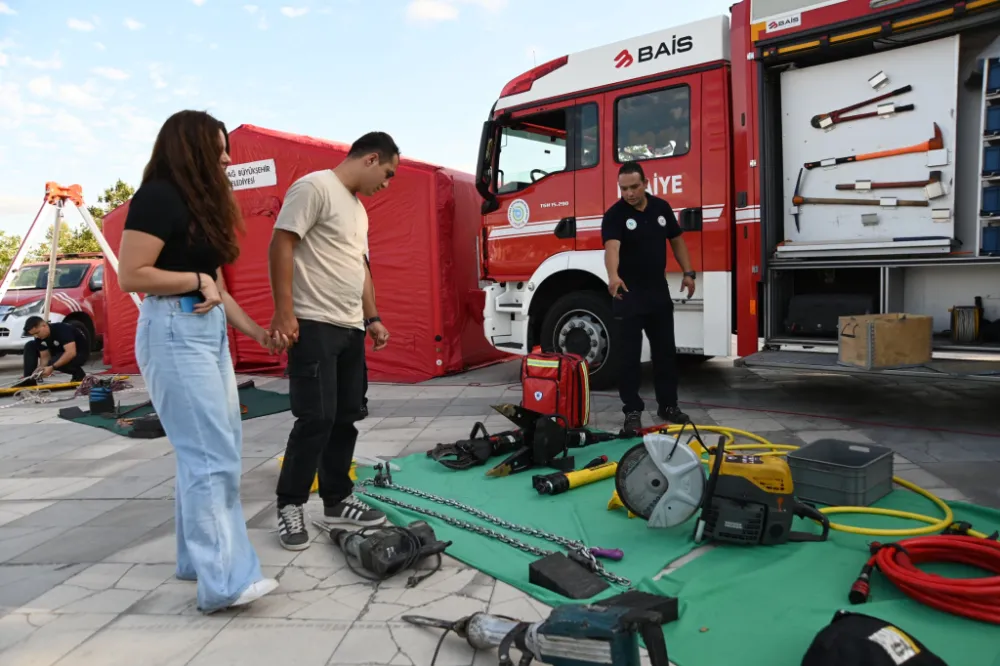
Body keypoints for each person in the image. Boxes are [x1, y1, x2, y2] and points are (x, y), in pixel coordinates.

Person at [117, 110, 285, 613]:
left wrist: (258, 332)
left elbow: (217, 285)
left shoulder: (197, 204)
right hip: (172, 328)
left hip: (203, 330)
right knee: (210, 457)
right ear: (190, 149)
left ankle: (196, 561)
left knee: (215, 447)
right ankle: (226, 582)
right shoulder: (158, 197)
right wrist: (195, 281)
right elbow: (131, 275)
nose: (228, 157)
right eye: (218, 148)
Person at [268, 132, 395, 551]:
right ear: (371, 158)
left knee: (345, 415)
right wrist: (285, 312)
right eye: (387, 174)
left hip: (350, 326)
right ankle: (290, 505)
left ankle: (337, 499)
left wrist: (372, 317)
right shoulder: (314, 186)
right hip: (314, 323)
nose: (386, 184)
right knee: (315, 418)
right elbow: (281, 243)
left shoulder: (359, 210)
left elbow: (360, 266)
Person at [602, 161, 694, 435]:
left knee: (665, 353)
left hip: (658, 293)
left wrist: (689, 273)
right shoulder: (615, 215)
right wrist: (613, 276)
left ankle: (668, 406)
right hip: (627, 294)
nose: (629, 193)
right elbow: (612, 247)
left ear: (646, 183)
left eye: (634, 187)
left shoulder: (661, 208)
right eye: (623, 188)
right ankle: (632, 410)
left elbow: (676, 240)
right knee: (628, 357)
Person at [21, 317, 90, 382]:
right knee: (30, 345)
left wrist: (52, 367)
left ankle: (79, 374)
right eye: (33, 334)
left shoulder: (62, 329)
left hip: (79, 353)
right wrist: (41, 369)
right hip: (58, 352)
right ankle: (28, 379)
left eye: (37, 333)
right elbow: (45, 357)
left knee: (53, 362)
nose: (36, 336)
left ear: (44, 325)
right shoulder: (39, 337)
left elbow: (71, 353)